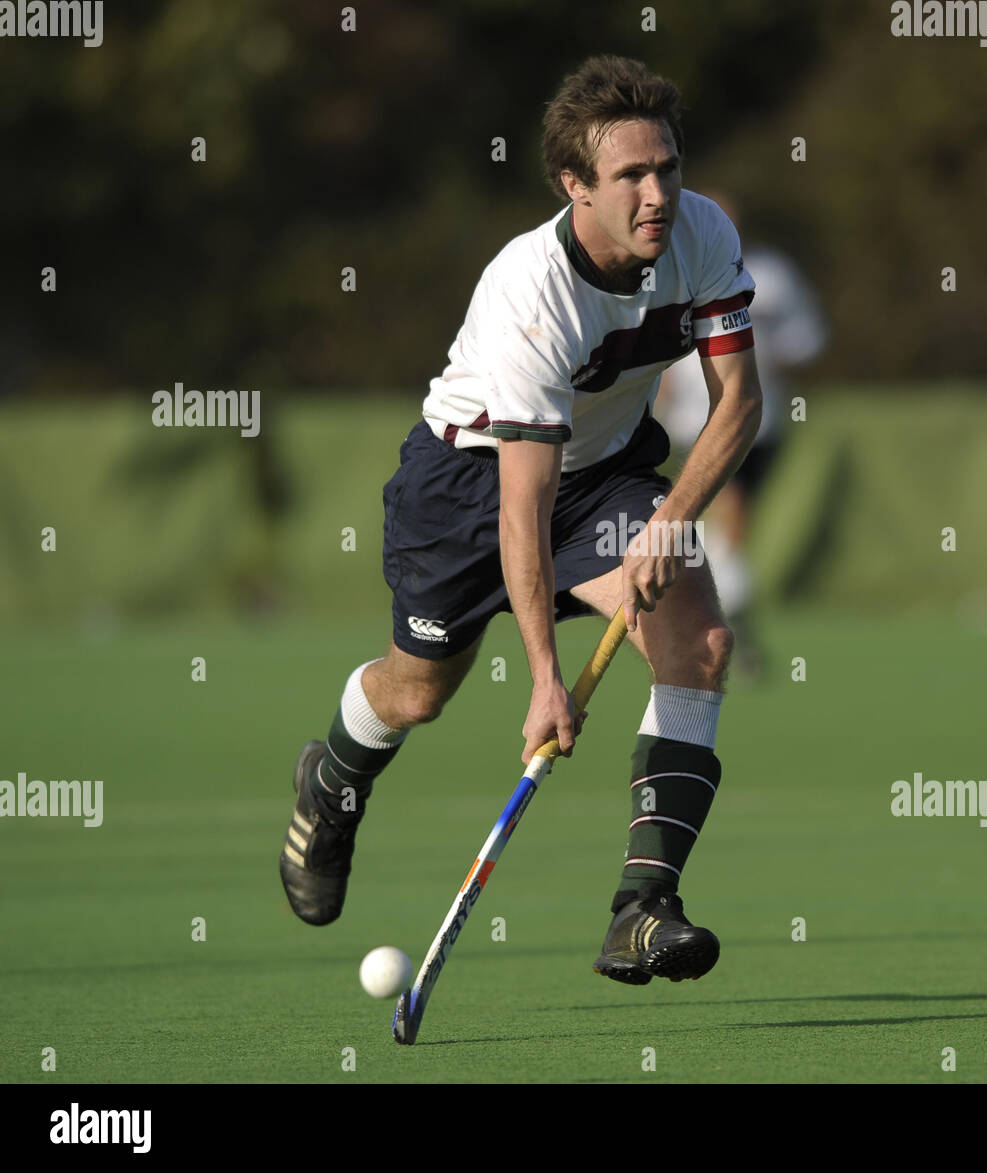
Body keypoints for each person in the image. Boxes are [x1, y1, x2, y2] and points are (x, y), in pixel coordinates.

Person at [278, 55, 762, 986]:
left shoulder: (701, 232)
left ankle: (642, 908)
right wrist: (545, 675)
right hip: (467, 489)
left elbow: (738, 401)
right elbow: (521, 505)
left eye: (666, 166)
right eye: (630, 176)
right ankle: (332, 778)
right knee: (418, 693)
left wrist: (671, 522)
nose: (657, 193)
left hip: (605, 474)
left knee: (697, 640)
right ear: (575, 186)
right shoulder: (529, 296)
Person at [655, 192, 826, 677]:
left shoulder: (771, 275)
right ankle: (729, 613)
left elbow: (808, 338)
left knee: (730, 525)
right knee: (730, 508)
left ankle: (719, 606)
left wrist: (768, 351)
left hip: (761, 420)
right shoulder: (669, 268)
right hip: (696, 419)